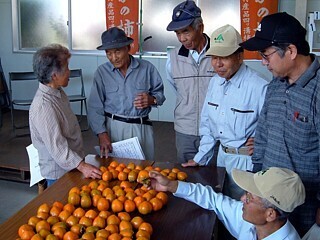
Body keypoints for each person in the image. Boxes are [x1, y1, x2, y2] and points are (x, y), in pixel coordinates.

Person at [239, 12, 320, 236]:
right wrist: (255, 181)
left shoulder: (317, 91)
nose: (263, 63)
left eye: (266, 55)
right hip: (269, 204)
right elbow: (262, 134)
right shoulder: (275, 85)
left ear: (291, 51)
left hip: (305, 210)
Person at [182, 24, 268, 199]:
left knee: (244, 213)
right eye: (214, 57)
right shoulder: (215, 82)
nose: (218, 64)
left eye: (224, 57)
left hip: (246, 163)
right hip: (221, 159)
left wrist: (263, 142)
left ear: (239, 56)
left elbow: (273, 129)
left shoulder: (259, 87)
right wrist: (200, 158)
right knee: (220, 206)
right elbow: (207, 125)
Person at [149, 167, 305, 239]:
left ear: (270, 214)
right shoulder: (254, 222)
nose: (242, 199)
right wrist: (170, 185)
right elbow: (214, 199)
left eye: (249, 197)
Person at [29, 44, 102, 188]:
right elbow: (58, 148)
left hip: (71, 166)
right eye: (67, 68)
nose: (69, 72)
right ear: (54, 76)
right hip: (58, 174)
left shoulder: (58, 92)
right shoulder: (44, 106)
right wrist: (82, 166)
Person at [88, 27, 165, 160]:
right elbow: (95, 107)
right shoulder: (102, 73)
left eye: (117, 52)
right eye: (108, 53)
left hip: (141, 127)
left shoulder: (147, 68)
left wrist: (151, 100)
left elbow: (160, 95)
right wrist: (101, 133)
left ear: (128, 48)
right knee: (116, 171)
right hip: (113, 126)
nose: (113, 58)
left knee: (144, 170)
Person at [166, 0, 214, 163]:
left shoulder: (219, 55)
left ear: (200, 27)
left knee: (214, 177)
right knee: (185, 175)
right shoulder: (172, 59)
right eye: (177, 33)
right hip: (185, 130)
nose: (182, 38)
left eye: (186, 31)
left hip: (215, 130)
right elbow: (177, 90)